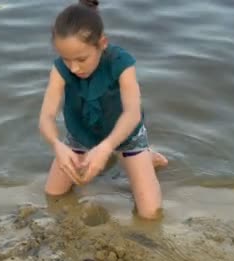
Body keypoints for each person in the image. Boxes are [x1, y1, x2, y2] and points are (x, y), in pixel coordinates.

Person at [38, 0, 168, 219]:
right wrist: (57, 145)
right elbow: (46, 117)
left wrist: (106, 147)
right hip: (81, 135)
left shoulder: (122, 63)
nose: (74, 68)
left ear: (102, 43)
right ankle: (111, 156)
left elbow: (132, 114)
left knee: (150, 214)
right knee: (53, 195)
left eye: (81, 59)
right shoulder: (61, 69)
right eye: (66, 59)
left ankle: (144, 156)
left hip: (126, 136)